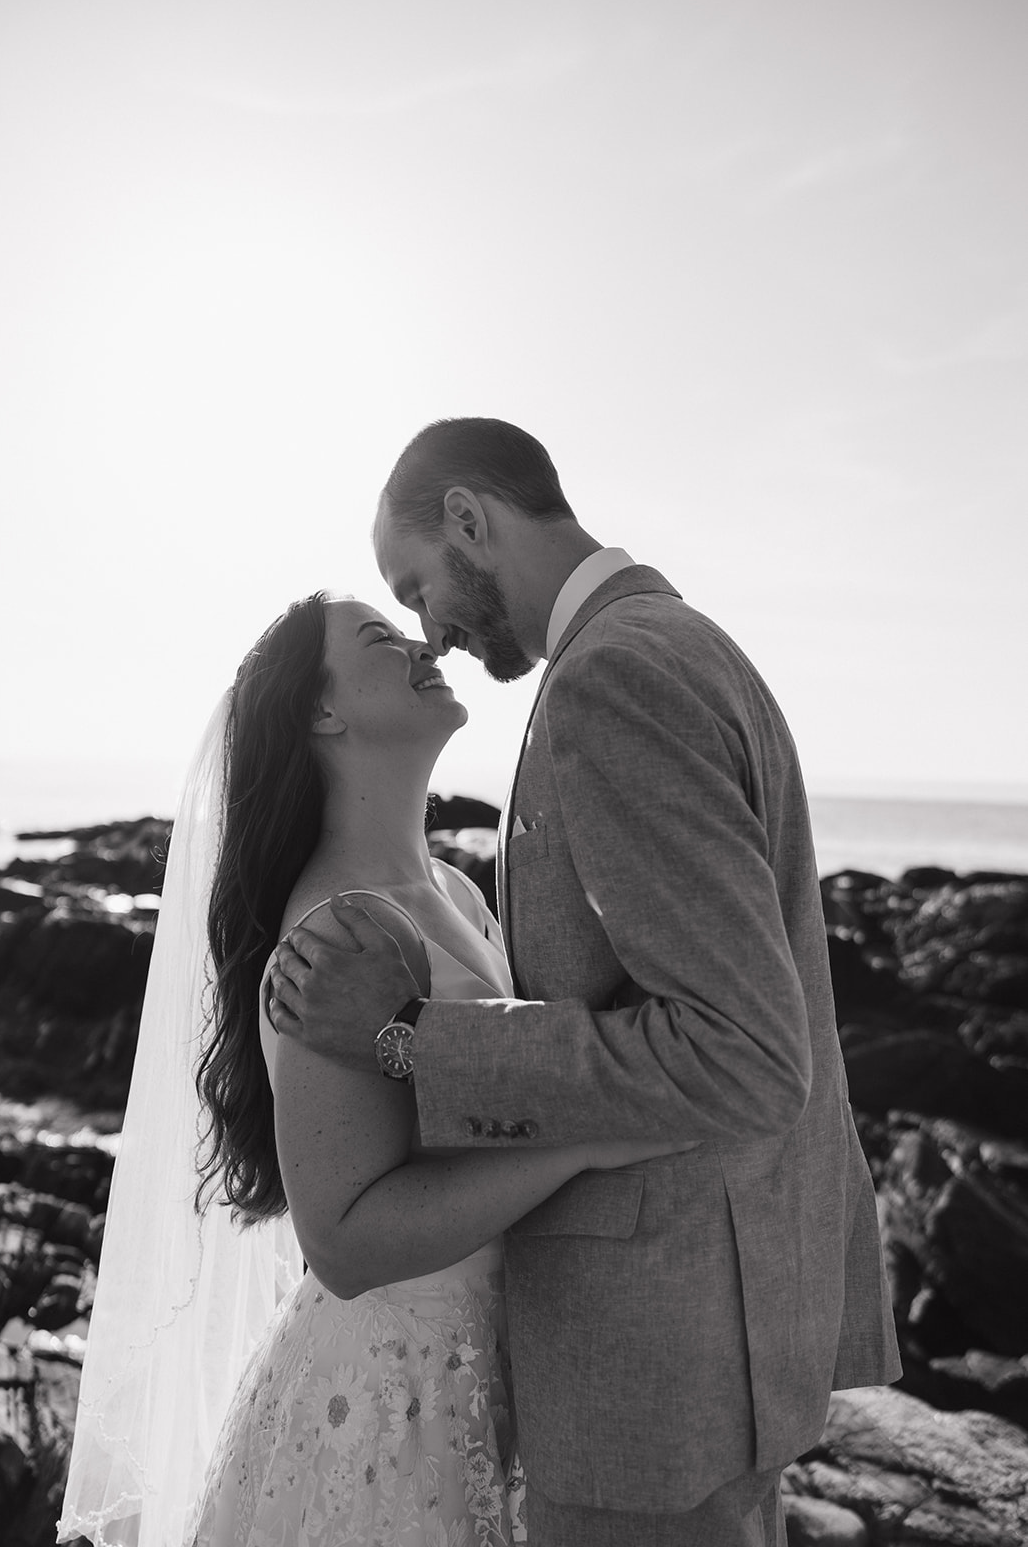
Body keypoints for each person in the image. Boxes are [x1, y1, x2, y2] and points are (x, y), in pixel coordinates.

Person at [269, 418, 903, 1547]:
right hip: (723, 1333)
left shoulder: (611, 678)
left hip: (654, 1365)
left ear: (470, 518)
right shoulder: (678, 641)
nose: (434, 632)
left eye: (418, 587)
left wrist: (412, 1036)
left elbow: (744, 1053)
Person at [57, 589, 672, 1547]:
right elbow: (342, 1240)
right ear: (322, 713)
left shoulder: (460, 892)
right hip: (394, 1408)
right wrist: (584, 1148)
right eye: (382, 638)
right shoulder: (332, 934)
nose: (426, 642)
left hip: (508, 1371)